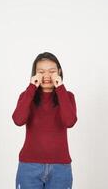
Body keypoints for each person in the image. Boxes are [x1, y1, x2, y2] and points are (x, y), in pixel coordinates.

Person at [12, 52, 78, 189]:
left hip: (60, 168)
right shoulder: (26, 96)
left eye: (52, 71)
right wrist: (31, 88)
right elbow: (18, 120)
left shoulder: (67, 96)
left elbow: (70, 121)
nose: (46, 76)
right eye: (41, 72)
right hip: (29, 167)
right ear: (34, 74)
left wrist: (60, 88)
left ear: (59, 72)